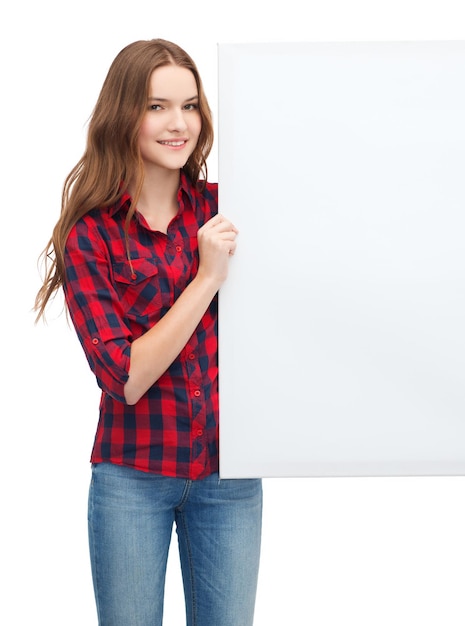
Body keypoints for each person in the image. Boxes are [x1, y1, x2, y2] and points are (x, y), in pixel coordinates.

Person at [34, 38, 262, 626]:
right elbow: (125, 377)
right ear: (124, 114)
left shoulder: (228, 212)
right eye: (157, 106)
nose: (178, 123)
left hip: (228, 475)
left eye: (189, 106)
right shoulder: (92, 235)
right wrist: (208, 277)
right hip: (131, 478)